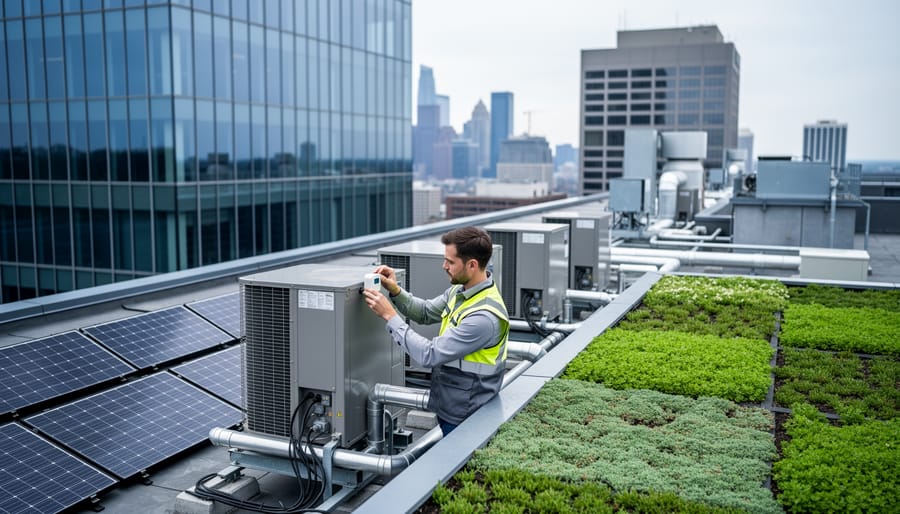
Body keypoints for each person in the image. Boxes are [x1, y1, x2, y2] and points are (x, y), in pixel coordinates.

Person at [362, 226, 509, 436]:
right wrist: (395, 290)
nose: (444, 266)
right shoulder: (461, 291)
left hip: (465, 414)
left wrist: (389, 316)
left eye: (450, 262)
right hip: (451, 402)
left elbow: (430, 355)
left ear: (472, 265)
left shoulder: (483, 317)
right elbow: (424, 312)